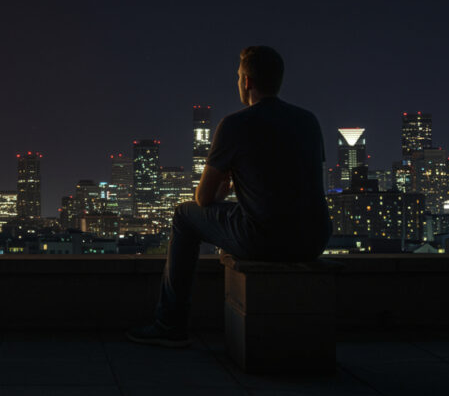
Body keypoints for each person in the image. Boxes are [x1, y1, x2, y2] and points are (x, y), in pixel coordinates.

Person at [127, 45, 331, 347]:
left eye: (238, 77)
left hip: (266, 239)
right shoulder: (308, 121)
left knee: (184, 215)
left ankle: (169, 324)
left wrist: (224, 186)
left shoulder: (235, 124)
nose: (238, 82)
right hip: (314, 238)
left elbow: (203, 199)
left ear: (247, 81)